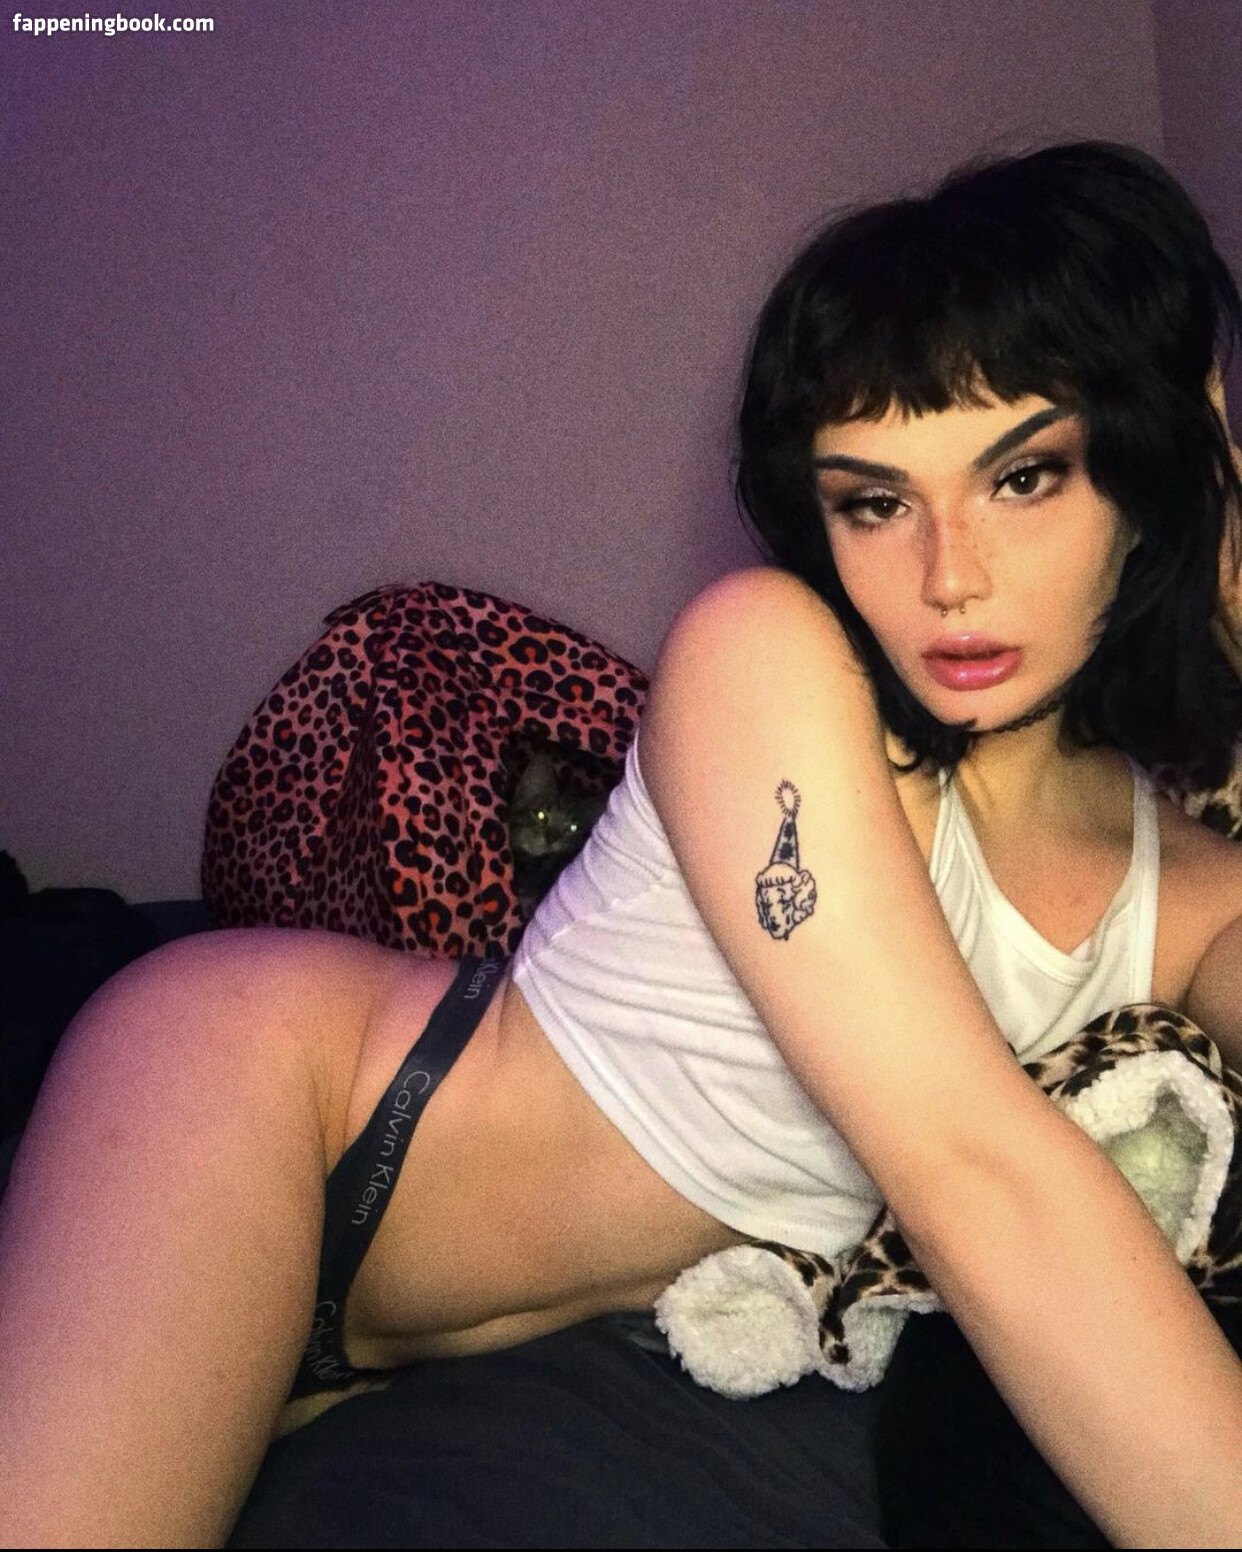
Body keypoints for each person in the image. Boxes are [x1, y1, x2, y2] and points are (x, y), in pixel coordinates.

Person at [2, 141, 1242, 1547]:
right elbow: (972, 1165)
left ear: (1146, 470)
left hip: (408, 1352)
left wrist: (1224, 546)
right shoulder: (767, 659)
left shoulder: (1191, 892)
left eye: (1024, 479)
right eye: (874, 501)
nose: (947, 575)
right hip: (286, 1110)